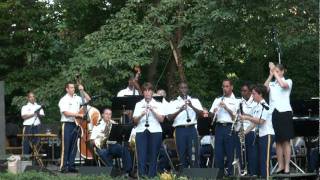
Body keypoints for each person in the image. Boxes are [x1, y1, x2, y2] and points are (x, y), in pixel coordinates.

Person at [264, 62, 294, 174]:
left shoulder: (288, 81)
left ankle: (287, 166)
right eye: (274, 70)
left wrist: (274, 72)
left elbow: (283, 85)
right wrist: (271, 74)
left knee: (286, 140)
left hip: (284, 112)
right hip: (274, 113)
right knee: (277, 141)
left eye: (277, 71)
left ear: (282, 72)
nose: (275, 72)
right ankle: (280, 165)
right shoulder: (272, 84)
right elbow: (264, 89)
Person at [240, 84, 275, 178]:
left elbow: (261, 121)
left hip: (267, 135)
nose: (252, 96)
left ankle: (266, 177)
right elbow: (254, 123)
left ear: (260, 94)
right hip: (260, 135)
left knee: (265, 160)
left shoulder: (264, 106)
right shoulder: (257, 107)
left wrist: (247, 117)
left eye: (254, 94)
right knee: (260, 160)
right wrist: (244, 133)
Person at [167, 82, 203, 168]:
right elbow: (169, 118)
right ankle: (183, 175)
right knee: (181, 153)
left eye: (185, 88)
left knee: (193, 153)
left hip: (191, 129)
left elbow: (201, 114)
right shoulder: (173, 102)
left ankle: (195, 175)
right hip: (180, 130)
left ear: (188, 89)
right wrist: (180, 110)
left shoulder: (195, 100)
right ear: (178, 90)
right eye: (181, 88)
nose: (183, 90)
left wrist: (191, 106)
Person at [133, 82, 165, 177]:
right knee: (141, 156)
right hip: (141, 131)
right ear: (143, 92)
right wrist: (142, 114)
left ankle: (152, 176)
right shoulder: (138, 104)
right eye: (145, 91)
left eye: (149, 90)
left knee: (154, 155)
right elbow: (135, 120)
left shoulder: (158, 104)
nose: (147, 93)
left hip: (155, 131)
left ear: (152, 92)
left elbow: (162, 119)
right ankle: (142, 176)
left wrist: (152, 110)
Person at [58, 82, 91, 173]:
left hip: (76, 124)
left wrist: (82, 90)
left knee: (74, 146)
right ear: (67, 89)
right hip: (67, 124)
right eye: (71, 87)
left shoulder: (77, 98)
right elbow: (65, 113)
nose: (73, 89)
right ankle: (63, 167)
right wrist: (78, 114)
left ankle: (71, 166)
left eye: (74, 87)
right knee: (66, 146)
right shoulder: (63, 99)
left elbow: (88, 100)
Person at [209, 79, 238, 176]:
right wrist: (214, 111)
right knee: (218, 152)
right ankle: (219, 175)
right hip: (219, 127)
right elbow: (210, 115)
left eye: (227, 86)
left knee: (230, 152)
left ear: (231, 87)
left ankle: (231, 174)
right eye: (223, 86)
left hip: (230, 127)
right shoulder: (217, 99)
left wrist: (226, 108)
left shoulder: (237, 100)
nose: (225, 88)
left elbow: (236, 118)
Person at [90, 108, 132, 176]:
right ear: (102, 115)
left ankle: (127, 171)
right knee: (103, 153)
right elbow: (92, 141)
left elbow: (119, 137)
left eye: (110, 114)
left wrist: (117, 127)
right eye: (106, 114)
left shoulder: (113, 124)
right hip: (102, 147)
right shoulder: (97, 125)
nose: (108, 116)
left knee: (124, 149)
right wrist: (98, 141)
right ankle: (114, 172)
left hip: (112, 145)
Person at [237, 83, 259, 176]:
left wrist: (245, 115)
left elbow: (257, 118)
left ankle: (252, 173)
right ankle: (243, 172)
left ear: (250, 92)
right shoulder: (239, 102)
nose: (243, 93)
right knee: (241, 154)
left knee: (251, 154)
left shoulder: (255, 102)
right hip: (241, 130)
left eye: (245, 91)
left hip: (251, 130)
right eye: (241, 91)